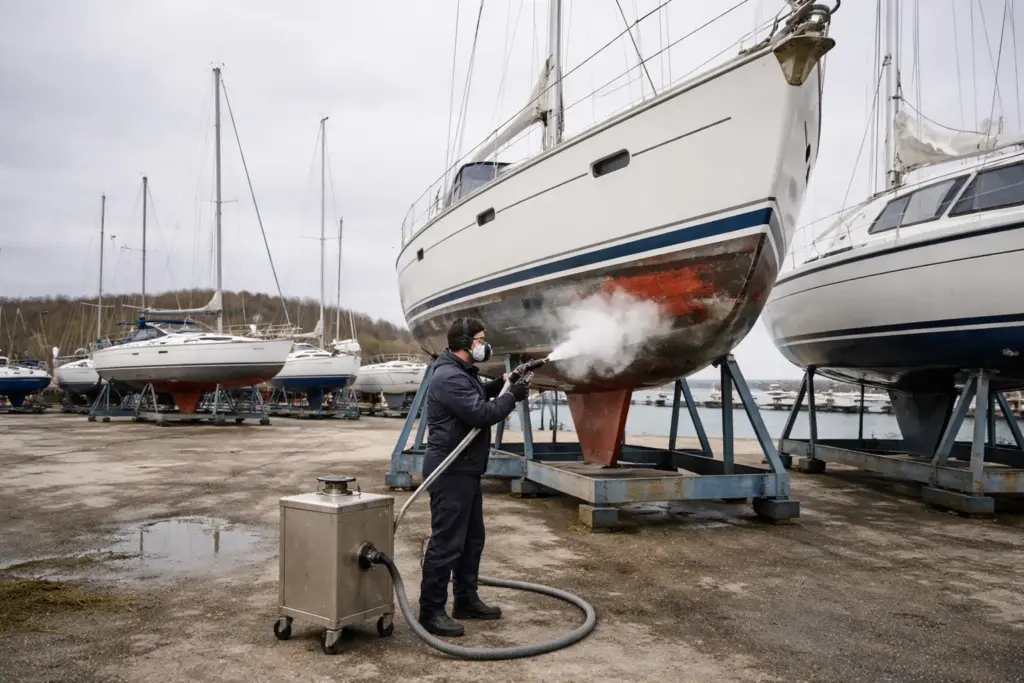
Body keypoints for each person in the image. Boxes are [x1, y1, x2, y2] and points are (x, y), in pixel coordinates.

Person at [417, 317, 532, 637]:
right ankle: (431, 611)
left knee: (471, 541)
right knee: (446, 544)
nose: (485, 344)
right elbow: (481, 413)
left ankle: (465, 600)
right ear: (467, 344)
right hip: (450, 471)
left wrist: (506, 381)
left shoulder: (461, 372)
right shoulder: (449, 377)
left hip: (465, 470)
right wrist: (512, 396)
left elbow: (479, 393)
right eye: (481, 339)